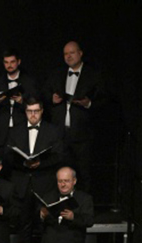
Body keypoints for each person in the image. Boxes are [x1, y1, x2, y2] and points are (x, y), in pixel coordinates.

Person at [44, 41, 104, 191]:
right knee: (58, 171)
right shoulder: (56, 73)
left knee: (84, 173)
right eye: (65, 54)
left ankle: (83, 210)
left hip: (82, 134)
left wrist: (88, 104)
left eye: (71, 53)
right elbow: (44, 93)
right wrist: (51, 99)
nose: (68, 56)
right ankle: (60, 208)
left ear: (80, 53)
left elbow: (105, 101)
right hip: (60, 133)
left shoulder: (93, 75)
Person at [37, 166, 95, 243]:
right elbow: (36, 222)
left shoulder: (84, 198)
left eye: (66, 181)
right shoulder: (48, 197)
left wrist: (73, 217)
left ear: (74, 181)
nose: (63, 184)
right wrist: (42, 215)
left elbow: (89, 220)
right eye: (60, 181)